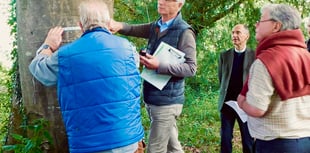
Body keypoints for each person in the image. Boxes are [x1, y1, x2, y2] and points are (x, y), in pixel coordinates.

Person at [28, 0, 144, 152]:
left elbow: (39, 70)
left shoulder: (65, 55)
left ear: (81, 25)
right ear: (109, 23)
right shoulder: (128, 48)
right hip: (129, 140)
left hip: (90, 145)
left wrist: (48, 46)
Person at [109, 0, 197, 152]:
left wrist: (159, 65)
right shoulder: (156, 26)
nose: (161, 1)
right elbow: (131, 29)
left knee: (155, 149)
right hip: (152, 98)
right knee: (173, 147)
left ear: (179, 5)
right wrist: (118, 25)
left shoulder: (185, 32)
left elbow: (191, 68)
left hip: (167, 103)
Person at [237, 3, 310, 153]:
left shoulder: (266, 61)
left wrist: (241, 102)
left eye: (261, 20)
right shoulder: (306, 55)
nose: (256, 24)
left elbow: (257, 109)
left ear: (276, 26)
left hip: (276, 144)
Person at [218, 24, 254, 153]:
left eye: (238, 32)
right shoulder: (224, 55)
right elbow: (221, 78)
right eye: (233, 32)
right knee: (225, 139)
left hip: (246, 105)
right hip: (227, 104)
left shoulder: (254, 55)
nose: (234, 35)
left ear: (246, 36)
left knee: (248, 140)